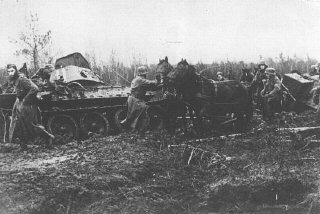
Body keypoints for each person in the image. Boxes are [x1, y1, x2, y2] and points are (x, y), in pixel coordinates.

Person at [7, 64, 54, 150]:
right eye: (9, 71)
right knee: (19, 125)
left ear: (16, 70)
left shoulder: (22, 79)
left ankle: (48, 138)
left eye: (12, 71)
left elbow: (35, 88)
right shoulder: (14, 79)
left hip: (27, 105)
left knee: (32, 125)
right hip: (19, 103)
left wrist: (25, 99)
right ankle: (23, 145)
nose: (10, 73)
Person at [121, 66, 161, 132]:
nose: (146, 75)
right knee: (141, 114)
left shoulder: (137, 79)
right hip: (136, 100)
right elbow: (151, 83)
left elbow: (149, 87)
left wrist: (159, 85)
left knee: (136, 115)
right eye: (145, 74)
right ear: (144, 74)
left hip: (134, 99)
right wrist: (158, 80)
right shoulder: (140, 80)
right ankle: (138, 130)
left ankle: (135, 129)